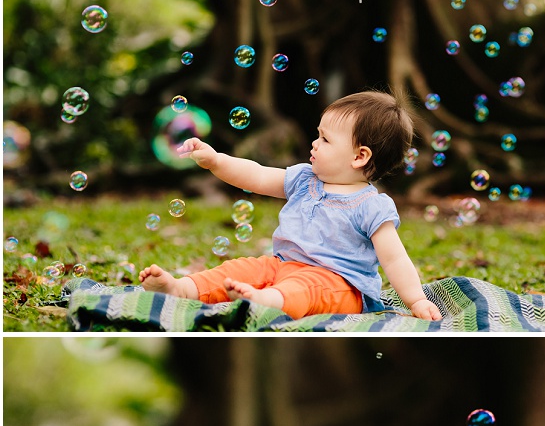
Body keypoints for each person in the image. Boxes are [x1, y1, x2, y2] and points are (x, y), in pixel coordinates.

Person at [139, 90, 443, 321]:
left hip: (337, 284)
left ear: (359, 156)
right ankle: (182, 289)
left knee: (305, 289)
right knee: (240, 268)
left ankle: (265, 303)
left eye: (325, 139)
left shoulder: (372, 206)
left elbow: (395, 260)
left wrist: (415, 300)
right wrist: (216, 160)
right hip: (281, 266)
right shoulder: (304, 179)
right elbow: (256, 175)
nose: (314, 143)